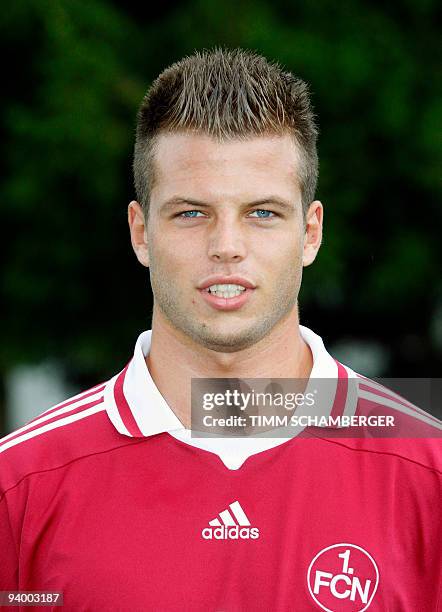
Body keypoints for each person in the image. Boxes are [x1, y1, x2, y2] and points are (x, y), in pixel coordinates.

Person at [0, 48, 440, 612]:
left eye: (262, 213)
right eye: (191, 212)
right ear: (140, 232)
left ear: (310, 233)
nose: (226, 246)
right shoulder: (22, 485)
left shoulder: (428, 473)